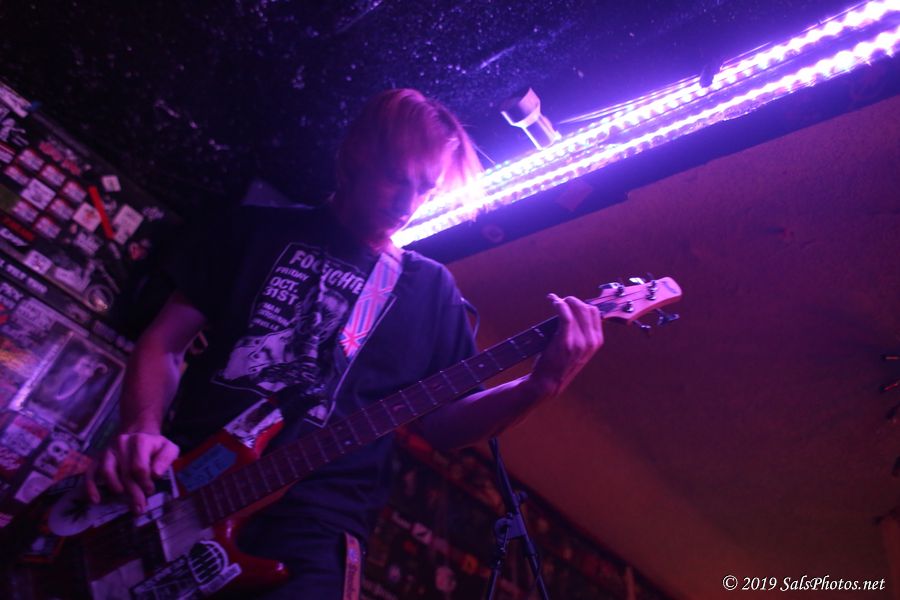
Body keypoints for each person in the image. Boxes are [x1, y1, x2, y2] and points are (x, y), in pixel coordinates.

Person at [86, 88, 604, 598]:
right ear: (355, 155)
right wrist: (140, 429)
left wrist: (537, 387)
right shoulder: (252, 230)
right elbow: (164, 343)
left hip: (314, 533)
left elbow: (444, 426)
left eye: (426, 188)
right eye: (397, 178)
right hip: (181, 491)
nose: (407, 203)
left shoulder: (431, 291)